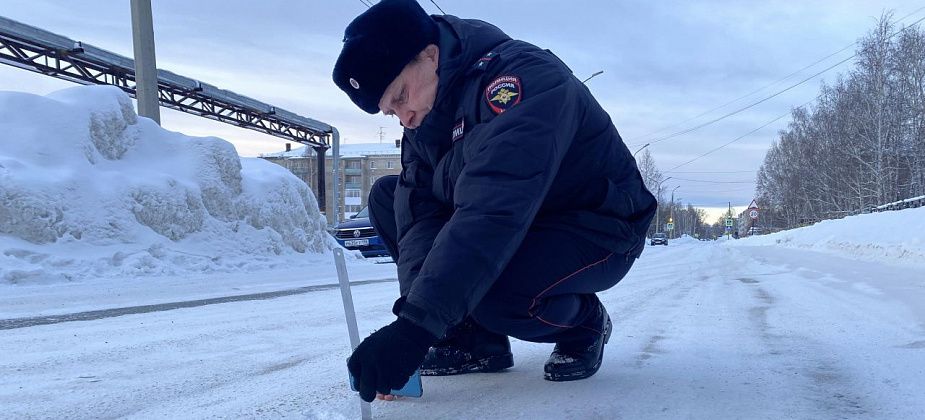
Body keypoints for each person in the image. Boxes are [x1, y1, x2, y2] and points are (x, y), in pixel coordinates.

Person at [333, 0, 656, 403]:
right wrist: (421, 321)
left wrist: (416, 329)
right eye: (390, 111)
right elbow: (420, 217)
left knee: (496, 295)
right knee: (390, 196)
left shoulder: (521, 82)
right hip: (524, 222)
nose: (405, 117)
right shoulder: (426, 117)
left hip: (595, 225)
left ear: (430, 56)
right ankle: (475, 341)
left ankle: (585, 324)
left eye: (400, 96)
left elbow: (492, 211)